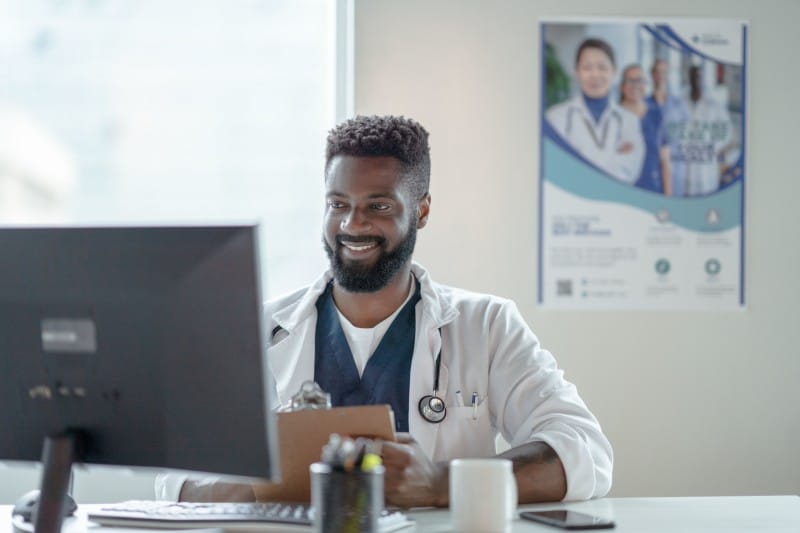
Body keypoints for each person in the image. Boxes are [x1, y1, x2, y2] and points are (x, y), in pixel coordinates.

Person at [156, 115, 613, 506]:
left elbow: (585, 452)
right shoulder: (257, 330)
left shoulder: (486, 326)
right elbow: (173, 477)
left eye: (378, 205)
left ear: (422, 210)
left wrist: (441, 484)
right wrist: (256, 489)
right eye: (339, 204)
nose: (353, 224)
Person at [546, 38, 644, 185]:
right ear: (576, 72)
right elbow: (556, 169)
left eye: (602, 67)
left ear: (614, 71)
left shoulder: (629, 120)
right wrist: (612, 158)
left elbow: (628, 171)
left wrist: (579, 159)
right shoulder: (555, 117)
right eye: (587, 68)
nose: (595, 75)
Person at [680, 65, 734, 196]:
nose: (696, 79)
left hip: (707, 168)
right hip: (685, 166)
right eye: (693, 76)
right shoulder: (681, 101)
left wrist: (712, 148)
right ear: (689, 78)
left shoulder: (714, 104)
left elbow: (727, 132)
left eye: (699, 76)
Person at [619, 64, 672, 195]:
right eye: (630, 81)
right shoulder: (613, 116)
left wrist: (669, 200)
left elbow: (665, 162)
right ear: (622, 86)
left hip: (653, 191)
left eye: (640, 80)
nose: (635, 85)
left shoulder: (656, 114)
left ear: (645, 85)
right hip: (622, 191)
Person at [646, 58, 691, 197]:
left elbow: (688, 134)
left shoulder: (679, 105)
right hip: (652, 166)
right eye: (657, 72)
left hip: (675, 166)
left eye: (664, 72)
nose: (660, 76)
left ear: (668, 75)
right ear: (652, 75)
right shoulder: (644, 104)